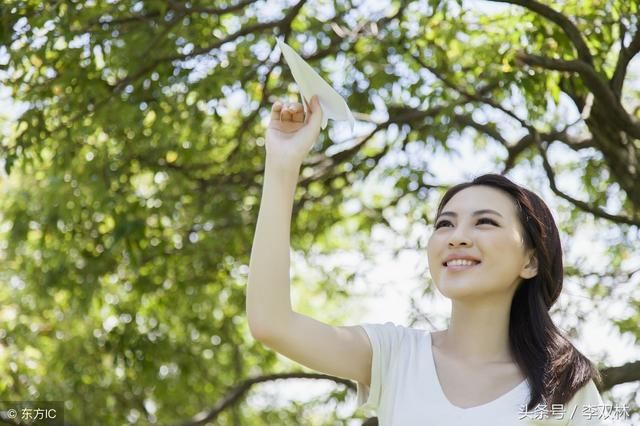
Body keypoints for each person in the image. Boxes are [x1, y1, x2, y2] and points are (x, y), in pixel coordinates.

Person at [246, 96, 608, 425]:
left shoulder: (565, 385)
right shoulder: (395, 356)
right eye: (445, 224)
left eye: (485, 222)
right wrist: (283, 163)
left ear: (530, 262)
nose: (457, 236)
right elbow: (272, 323)